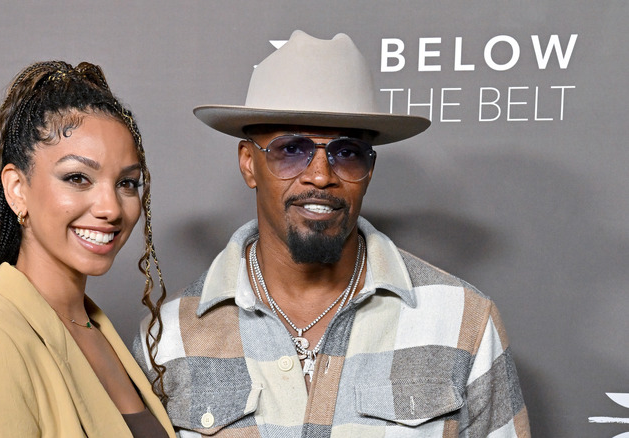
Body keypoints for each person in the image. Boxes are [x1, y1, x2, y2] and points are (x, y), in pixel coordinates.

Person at [133, 31, 530, 437]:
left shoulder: (461, 319)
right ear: (249, 163)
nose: (321, 176)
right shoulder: (169, 336)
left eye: (347, 153)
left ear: (369, 170)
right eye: (291, 150)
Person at [0, 61, 174, 438]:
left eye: (127, 183)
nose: (111, 207)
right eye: (78, 178)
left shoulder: (99, 333)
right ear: (17, 189)